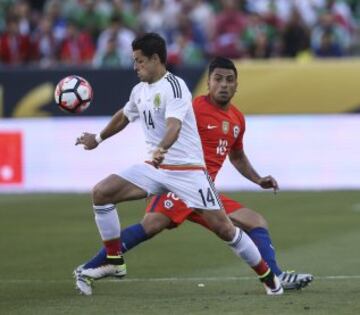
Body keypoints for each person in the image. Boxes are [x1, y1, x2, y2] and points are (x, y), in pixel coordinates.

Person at [75, 56, 313, 295]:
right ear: (208, 83)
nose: (224, 85)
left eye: (230, 80)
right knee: (152, 223)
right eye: (218, 79)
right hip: (177, 179)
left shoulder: (237, 119)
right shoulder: (194, 108)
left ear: (237, 85)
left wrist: (258, 179)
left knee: (255, 221)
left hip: (202, 189)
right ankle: (91, 267)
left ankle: (276, 276)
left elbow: (237, 156)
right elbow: (168, 125)